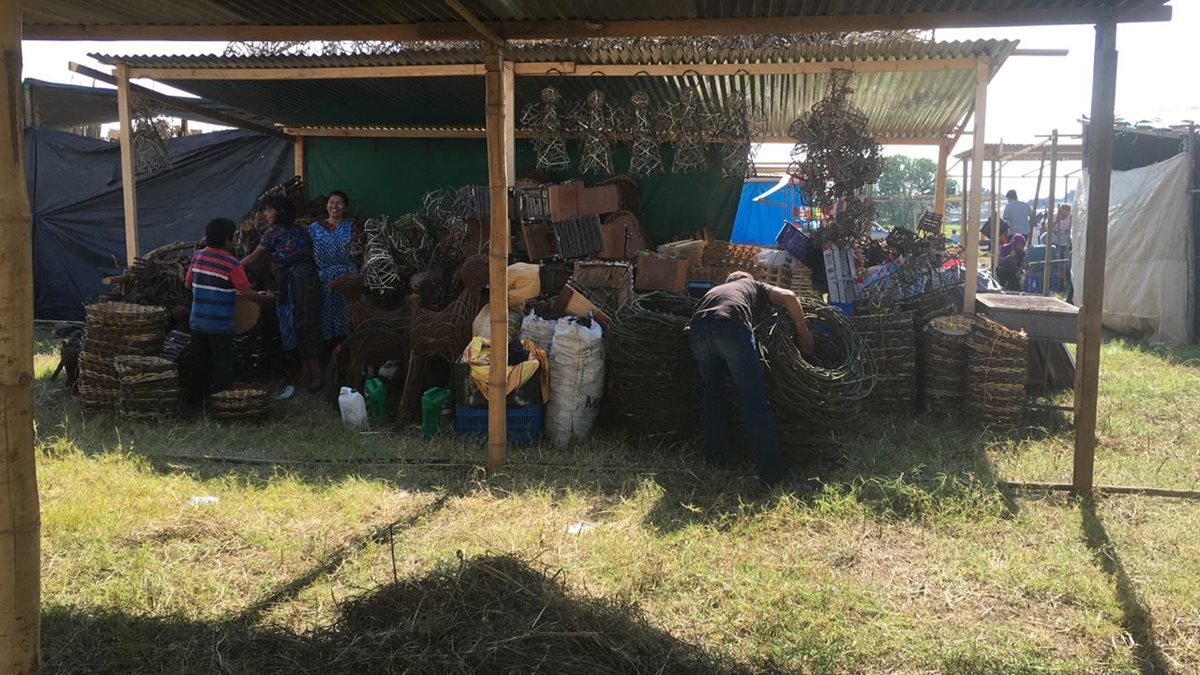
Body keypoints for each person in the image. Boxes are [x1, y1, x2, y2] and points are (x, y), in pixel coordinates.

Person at [686, 272, 816, 487]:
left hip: (698, 330)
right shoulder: (753, 285)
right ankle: (773, 476)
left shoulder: (714, 291)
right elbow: (790, 296)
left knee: (713, 395)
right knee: (754, 401)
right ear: (747, 279)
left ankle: (715, 462)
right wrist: (804, 333)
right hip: (730, 326)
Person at [185, 218, 274, 405]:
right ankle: (222, 403)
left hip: (198, 322)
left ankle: (194, 401)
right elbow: (248, 293)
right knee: (222, 364)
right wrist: (266, 297)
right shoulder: (232, 264)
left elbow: (187, 283)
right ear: (227, 240)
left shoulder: (198, 257)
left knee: (199, 363)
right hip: (220, 325)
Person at [242, 195, 323, 391]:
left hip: (297, 281)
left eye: (270, 210)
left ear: (280, 211)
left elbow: (254, 258)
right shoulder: (300, 230)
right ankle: (308, 376)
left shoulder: (273, 232)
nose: (267, 214)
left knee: (301, 325)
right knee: (307, 324)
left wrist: (231, 267)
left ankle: (316, 377)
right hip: (311, 278)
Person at [309, 190, 359, 346]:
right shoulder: (313, 229)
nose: (334, 206)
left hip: (348, 279)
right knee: (325, 318)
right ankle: (329, 354)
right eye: (331, 202)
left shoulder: (352, 229)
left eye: (339, 203)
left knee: (348, 317)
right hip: (324, 280)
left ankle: (347, 352)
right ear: (326, 205)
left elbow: (360, 253)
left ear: (345, 206)